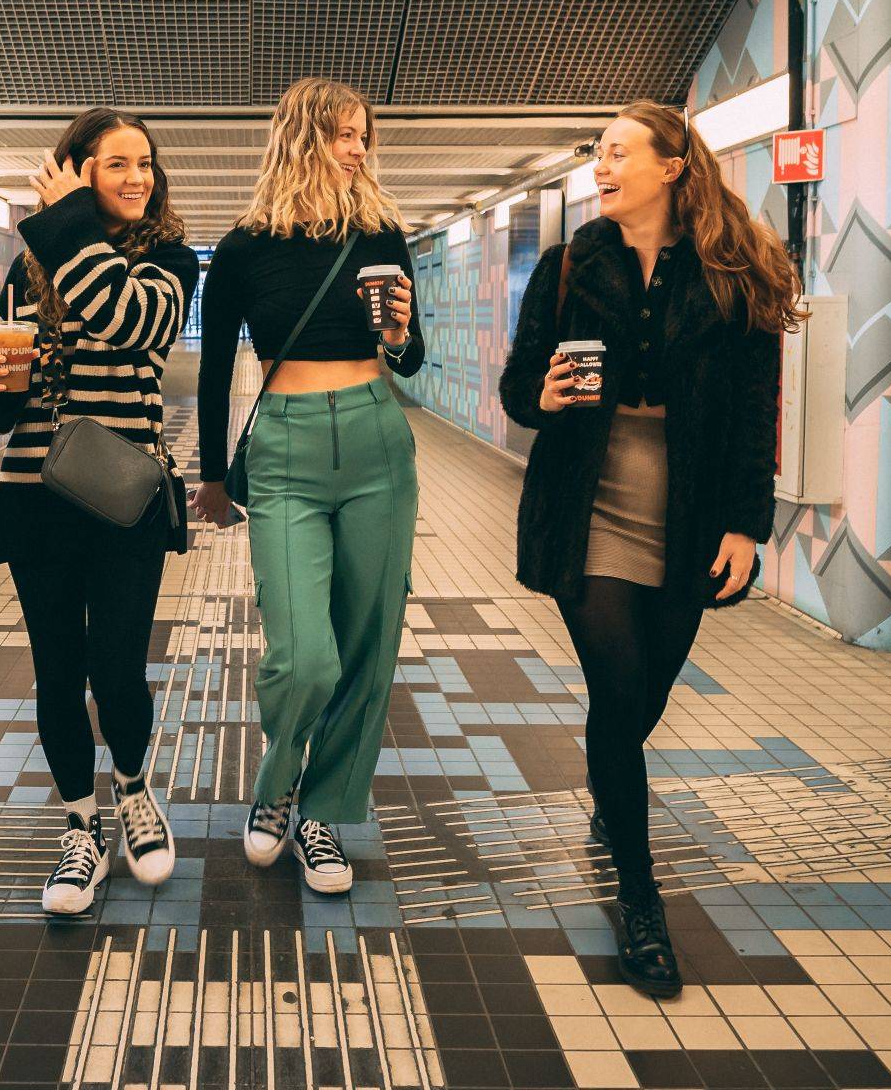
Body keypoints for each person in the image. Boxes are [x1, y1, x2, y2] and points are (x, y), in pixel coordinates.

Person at [498, 101, 798, 999]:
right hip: (590, 501)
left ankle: (609, 790)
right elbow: (519, 389)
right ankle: (640, 898)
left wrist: (747, 523)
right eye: (598, 152)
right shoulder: (567, 266)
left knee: (642, 695)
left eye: (620, 151)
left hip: (691, 506)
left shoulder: (734, 272)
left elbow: (756, 415)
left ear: (673, 166)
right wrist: (543, 398)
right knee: (617, 686)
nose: (603, 163)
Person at [191, 77, 424, 895]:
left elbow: (411, 356)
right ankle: (279, 779)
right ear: (300, 138)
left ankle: (322, 811)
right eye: (343, 135)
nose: (359, 149)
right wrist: (214, 476)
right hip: (286, 450)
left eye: (364, 136)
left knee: (368, 642)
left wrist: (396, 331)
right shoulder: (246, 247)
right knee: (304, 658)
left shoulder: (385, 233)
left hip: (376, 442)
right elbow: (216, 367)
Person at [0, 109, 199, 916]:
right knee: (58, 675)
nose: (139, 176)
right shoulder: (26, 265)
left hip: (121, 498)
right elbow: (3, 401)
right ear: (79, 170)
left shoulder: (169, 260)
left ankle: (136, 792)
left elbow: (129, 321)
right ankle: (79, 826)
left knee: (117, 668)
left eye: (146, 162)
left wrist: (65, 227)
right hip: (36, 496)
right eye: (118, 164)